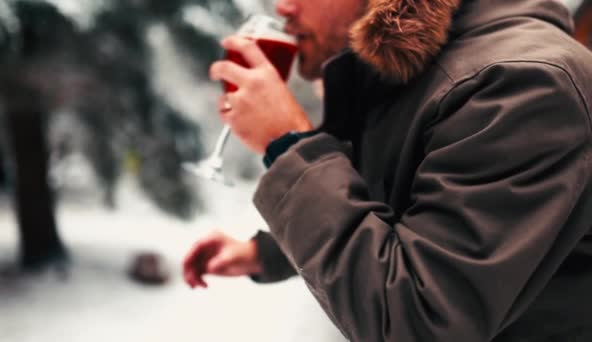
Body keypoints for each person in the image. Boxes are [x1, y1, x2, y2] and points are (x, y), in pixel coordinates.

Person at [183, 0, 592, 340]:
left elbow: (420, 318)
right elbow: (400, 209)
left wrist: (288, 144)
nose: (284, 7)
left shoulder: (521, 83)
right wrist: (267, 254)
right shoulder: (418, 67)